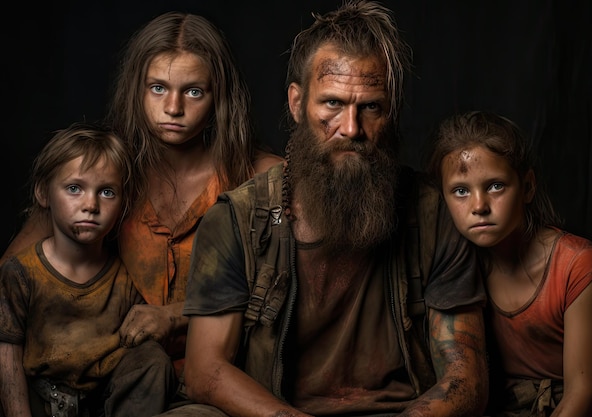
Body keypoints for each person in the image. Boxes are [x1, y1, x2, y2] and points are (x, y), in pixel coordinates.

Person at [160, 1, 489, 416]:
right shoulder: (234, 220)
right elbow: (206, 371)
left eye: (371, 107)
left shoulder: (432, 214)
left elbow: (467, 379)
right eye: (332, 104)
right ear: (297, 104)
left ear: (391, 111)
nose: (351, 129)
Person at [0, 11, 283, 383]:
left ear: (220, 96)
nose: (173, 108)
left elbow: (288, 294)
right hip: (107, 383)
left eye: (194, 91)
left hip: (217, 381)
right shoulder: (102, 170)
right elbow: (10, 281)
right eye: (158, 88)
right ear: (138, 88)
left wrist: (175, 315)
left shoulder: (261, 176)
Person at [426, 110, 592, 416]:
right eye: (461, 191)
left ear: (528, 186)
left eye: (495, 186)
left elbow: (583, 393)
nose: (479, 206)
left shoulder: (577, 266)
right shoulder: (458, 263)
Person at [0, 122, 177, 417]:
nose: (91, 205)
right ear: (44, 193)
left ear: (122, 203)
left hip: (101, 401)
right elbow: (7, 355)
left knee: (153, 359)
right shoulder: (21, 273)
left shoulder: (122, 275)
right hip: (40, 399)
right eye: (74, 189)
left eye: (107, 192)